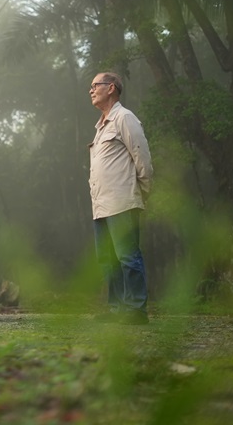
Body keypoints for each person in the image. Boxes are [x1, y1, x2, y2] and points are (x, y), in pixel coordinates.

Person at [88, 72, 153, 325]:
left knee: (128, 255)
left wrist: (143, 190)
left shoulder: (124, 117)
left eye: (95, 85)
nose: (91, 90)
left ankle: (136, 311)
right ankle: (117, 310)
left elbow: (141, 155)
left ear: (111, 88)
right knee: (108, 259)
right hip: (101, 204)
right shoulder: (100, 124)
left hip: (122, 200)